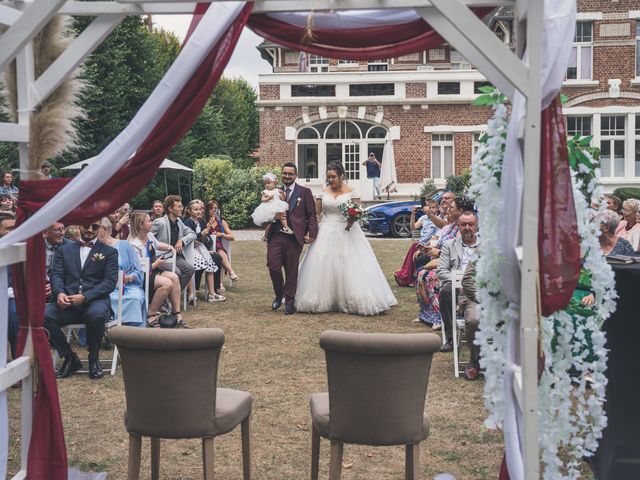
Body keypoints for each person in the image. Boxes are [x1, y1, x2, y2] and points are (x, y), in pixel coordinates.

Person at [296, 162, 397, 315]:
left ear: (341, 175)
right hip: (327, 229)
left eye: (333, 177)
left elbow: (358, 210)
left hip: (347, 230)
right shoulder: (322, 192)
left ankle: (353, 297)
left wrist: (353, 218)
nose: (331, 180)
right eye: (328, 177)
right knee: (323, 261)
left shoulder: (351, 191)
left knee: (349, 262)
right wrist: (311, 232)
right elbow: (316, 215)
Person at [44, 222, 118, 379]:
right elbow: (56, 275)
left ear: (101, 229)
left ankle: (93, 360)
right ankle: (70, 358)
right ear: (79, 226)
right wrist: (59, 293)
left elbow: (110, 282)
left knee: (95, 315)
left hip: (95, 301)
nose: (90, 229)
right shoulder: (64, 250)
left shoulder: (109, 252)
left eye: (95, 227)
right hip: (69, 303)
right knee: (43, 316)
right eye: (87, 226)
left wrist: (85, 296)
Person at [266, 162, 318, 315]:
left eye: (290, 174)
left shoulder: (305, 192)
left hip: (294, 237)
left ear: (296, 175)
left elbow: (311, 215)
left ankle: (289, 302)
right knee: (273, 266)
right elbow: (264, 212)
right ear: (281, 174)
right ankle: (279, 293)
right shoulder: (274, 191)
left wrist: (312, 233)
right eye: (285, 173)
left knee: (291, 271)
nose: (287, 176)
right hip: (276, 235)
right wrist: (272, 216)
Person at [413, 196, 470, 327]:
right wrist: (430, 249)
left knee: (431, 276)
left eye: (451, 207)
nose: (448, 210)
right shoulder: (450, 227)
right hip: (442, 261)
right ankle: (426, 314)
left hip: (456, 267)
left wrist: (438, 253)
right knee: (421, 273)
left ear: (460, 211)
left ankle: (440, 317)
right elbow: (439, 242)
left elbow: (460, 254)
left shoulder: (463, 230)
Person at [437, 212, 480, 369]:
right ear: (459, 226)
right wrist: (459, 282)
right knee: (446, 292)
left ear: (476, 226)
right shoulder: (450, 244)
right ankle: (450, 338)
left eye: (470, 224)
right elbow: (441, 271)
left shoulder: (485, 246)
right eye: (463, 225)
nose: (467, 228)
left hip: (478, 285)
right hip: (456, 284)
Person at [128, 211, 184, 326]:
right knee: (167, 284)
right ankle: (151, 314)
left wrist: (169, 247)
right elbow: (139, 269)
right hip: (141, 276)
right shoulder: (134, 244)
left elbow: (157, 244)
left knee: (174, 277)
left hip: (152, 271)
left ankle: (176, 313)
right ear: (140, 225)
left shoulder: (148, 235)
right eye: (149, 221)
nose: (152, 223)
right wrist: (156, 264)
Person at [96, 218, 146, 327]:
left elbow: (138, 270)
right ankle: (107, 331)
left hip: (126, 287)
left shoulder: (124, 245)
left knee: (134, 299)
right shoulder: (94, 248)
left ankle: (131, 333)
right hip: (102, 289)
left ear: (104, 230)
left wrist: (128, 278)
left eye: (96, 228)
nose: (93, 232)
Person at [183, 200, 225, 303]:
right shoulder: (187, 222)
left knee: (210, 263)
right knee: (194, 266)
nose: (198, 211)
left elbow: (204, 238)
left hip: (200, 247)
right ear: (189, 211)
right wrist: (201, 234)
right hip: (190, 249)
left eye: (200, 209)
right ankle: (191, 293)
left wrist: (207, 229)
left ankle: (212, 293)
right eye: (195, 209)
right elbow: (189, 238)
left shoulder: (201, 222)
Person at [151, 195, 196, 292]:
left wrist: (182, 241)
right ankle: (166, 296)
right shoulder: (159, 222)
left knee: (190, 269)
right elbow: (147, 238)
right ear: (170, 209)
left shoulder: (179, 221)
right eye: (179, 207)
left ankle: (171, 295)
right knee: (177, 272)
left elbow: (192, 234)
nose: (182, 209)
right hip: (161, 257)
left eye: (181, 206)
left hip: (175, 255)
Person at [394, 198, 440, 287]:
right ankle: (406, 275)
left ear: (437, 209)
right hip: (421, 243)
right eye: (430, 208)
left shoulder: (438, 220)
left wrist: (424, 246)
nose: (431, 209)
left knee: (415, 247)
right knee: (414, 246)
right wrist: (413, 215)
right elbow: (413, 227)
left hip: (429, 245)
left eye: (434, 208)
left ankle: (405, 275)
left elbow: (435, 237)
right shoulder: (423, 218)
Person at [251, 172, 294, 238]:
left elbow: (282, 199)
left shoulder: (277, 190)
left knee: (281, 216)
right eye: (265, 184)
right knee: (271, 222)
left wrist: (282, 194)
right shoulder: (265, 192)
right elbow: (262, 199)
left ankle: (285, 227)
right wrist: (268, 198)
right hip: (269, 208)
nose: (266, 185)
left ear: (274, 183)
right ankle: (284, 228)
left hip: (277, 206)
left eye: (268, 183)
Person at [206, 199, 238, 283]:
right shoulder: (204, 221)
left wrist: (222, 234)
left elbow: (232, 237)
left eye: (215, 208)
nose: (213, 210)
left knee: (219, 249)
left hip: (219, 246)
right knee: (219, 250)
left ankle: (230, 273)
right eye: (211, 208)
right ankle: (230, 272)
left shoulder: (222, 222)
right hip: (207, 245)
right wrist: (209, 224)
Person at [0, 212, 18, 359]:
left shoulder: (20, 249)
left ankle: (17, 362)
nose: (14, 232)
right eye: (9, 229)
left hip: (12, 296)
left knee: (14, 315)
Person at [43, 222, 69, 302]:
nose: (62, 233)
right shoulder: (35, 245)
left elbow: (71, 272)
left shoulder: (69, 247)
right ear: (46, 233)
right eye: (57, 230)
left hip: (60, 288)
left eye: (63, 229)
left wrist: (55, 286)